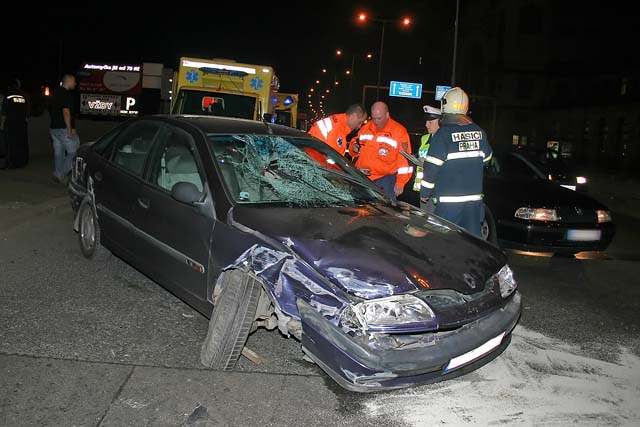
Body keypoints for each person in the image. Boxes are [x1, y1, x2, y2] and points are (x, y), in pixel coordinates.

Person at [420, 87, 493, 237]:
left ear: (445, 106)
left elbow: (431, 168)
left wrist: (425, 193)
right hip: (473, 204)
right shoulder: (479, 132)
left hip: (449, 203)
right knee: (471, 242)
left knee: (444, 242)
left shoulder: (443, 134)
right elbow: (487, 159)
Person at [353, 102, 412, 201]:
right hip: (363, 178)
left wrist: (401, 183)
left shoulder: (399, 131)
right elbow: (355, 143)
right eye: (373, 118)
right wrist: (353, 147)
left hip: (385, 181)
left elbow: (404, 160)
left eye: (379, 118)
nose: (375, 121)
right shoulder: (365, 128)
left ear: (387, 115)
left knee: (383, 213)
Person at [49, 74, 79, 184]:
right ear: (69, 81)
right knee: (74, 152)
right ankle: (60, 174)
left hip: (53, 128)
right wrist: (70, 129)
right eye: (74, 81)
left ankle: (58, 174)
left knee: (59, 153)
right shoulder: (66, 94)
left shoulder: (55, 93)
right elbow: (66, 112)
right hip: (63, 128)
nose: (75, 84)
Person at [413, 105, 441, 211]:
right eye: (426, 121)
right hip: (423, 190)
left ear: (440, 123)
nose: (426, 125)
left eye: (430, 122)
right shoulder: (424, 138)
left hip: (436, 191)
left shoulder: (445, 142)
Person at [0, 79, 30, 169]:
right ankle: (22, 162)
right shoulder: (25, 96)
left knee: (10, 144)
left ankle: (10, 163)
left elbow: (4, 113)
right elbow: (28, 110)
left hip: (10, 124)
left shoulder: (8, 96)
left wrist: (2, 124)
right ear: (18, 85)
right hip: (22, 124)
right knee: (21, 143)